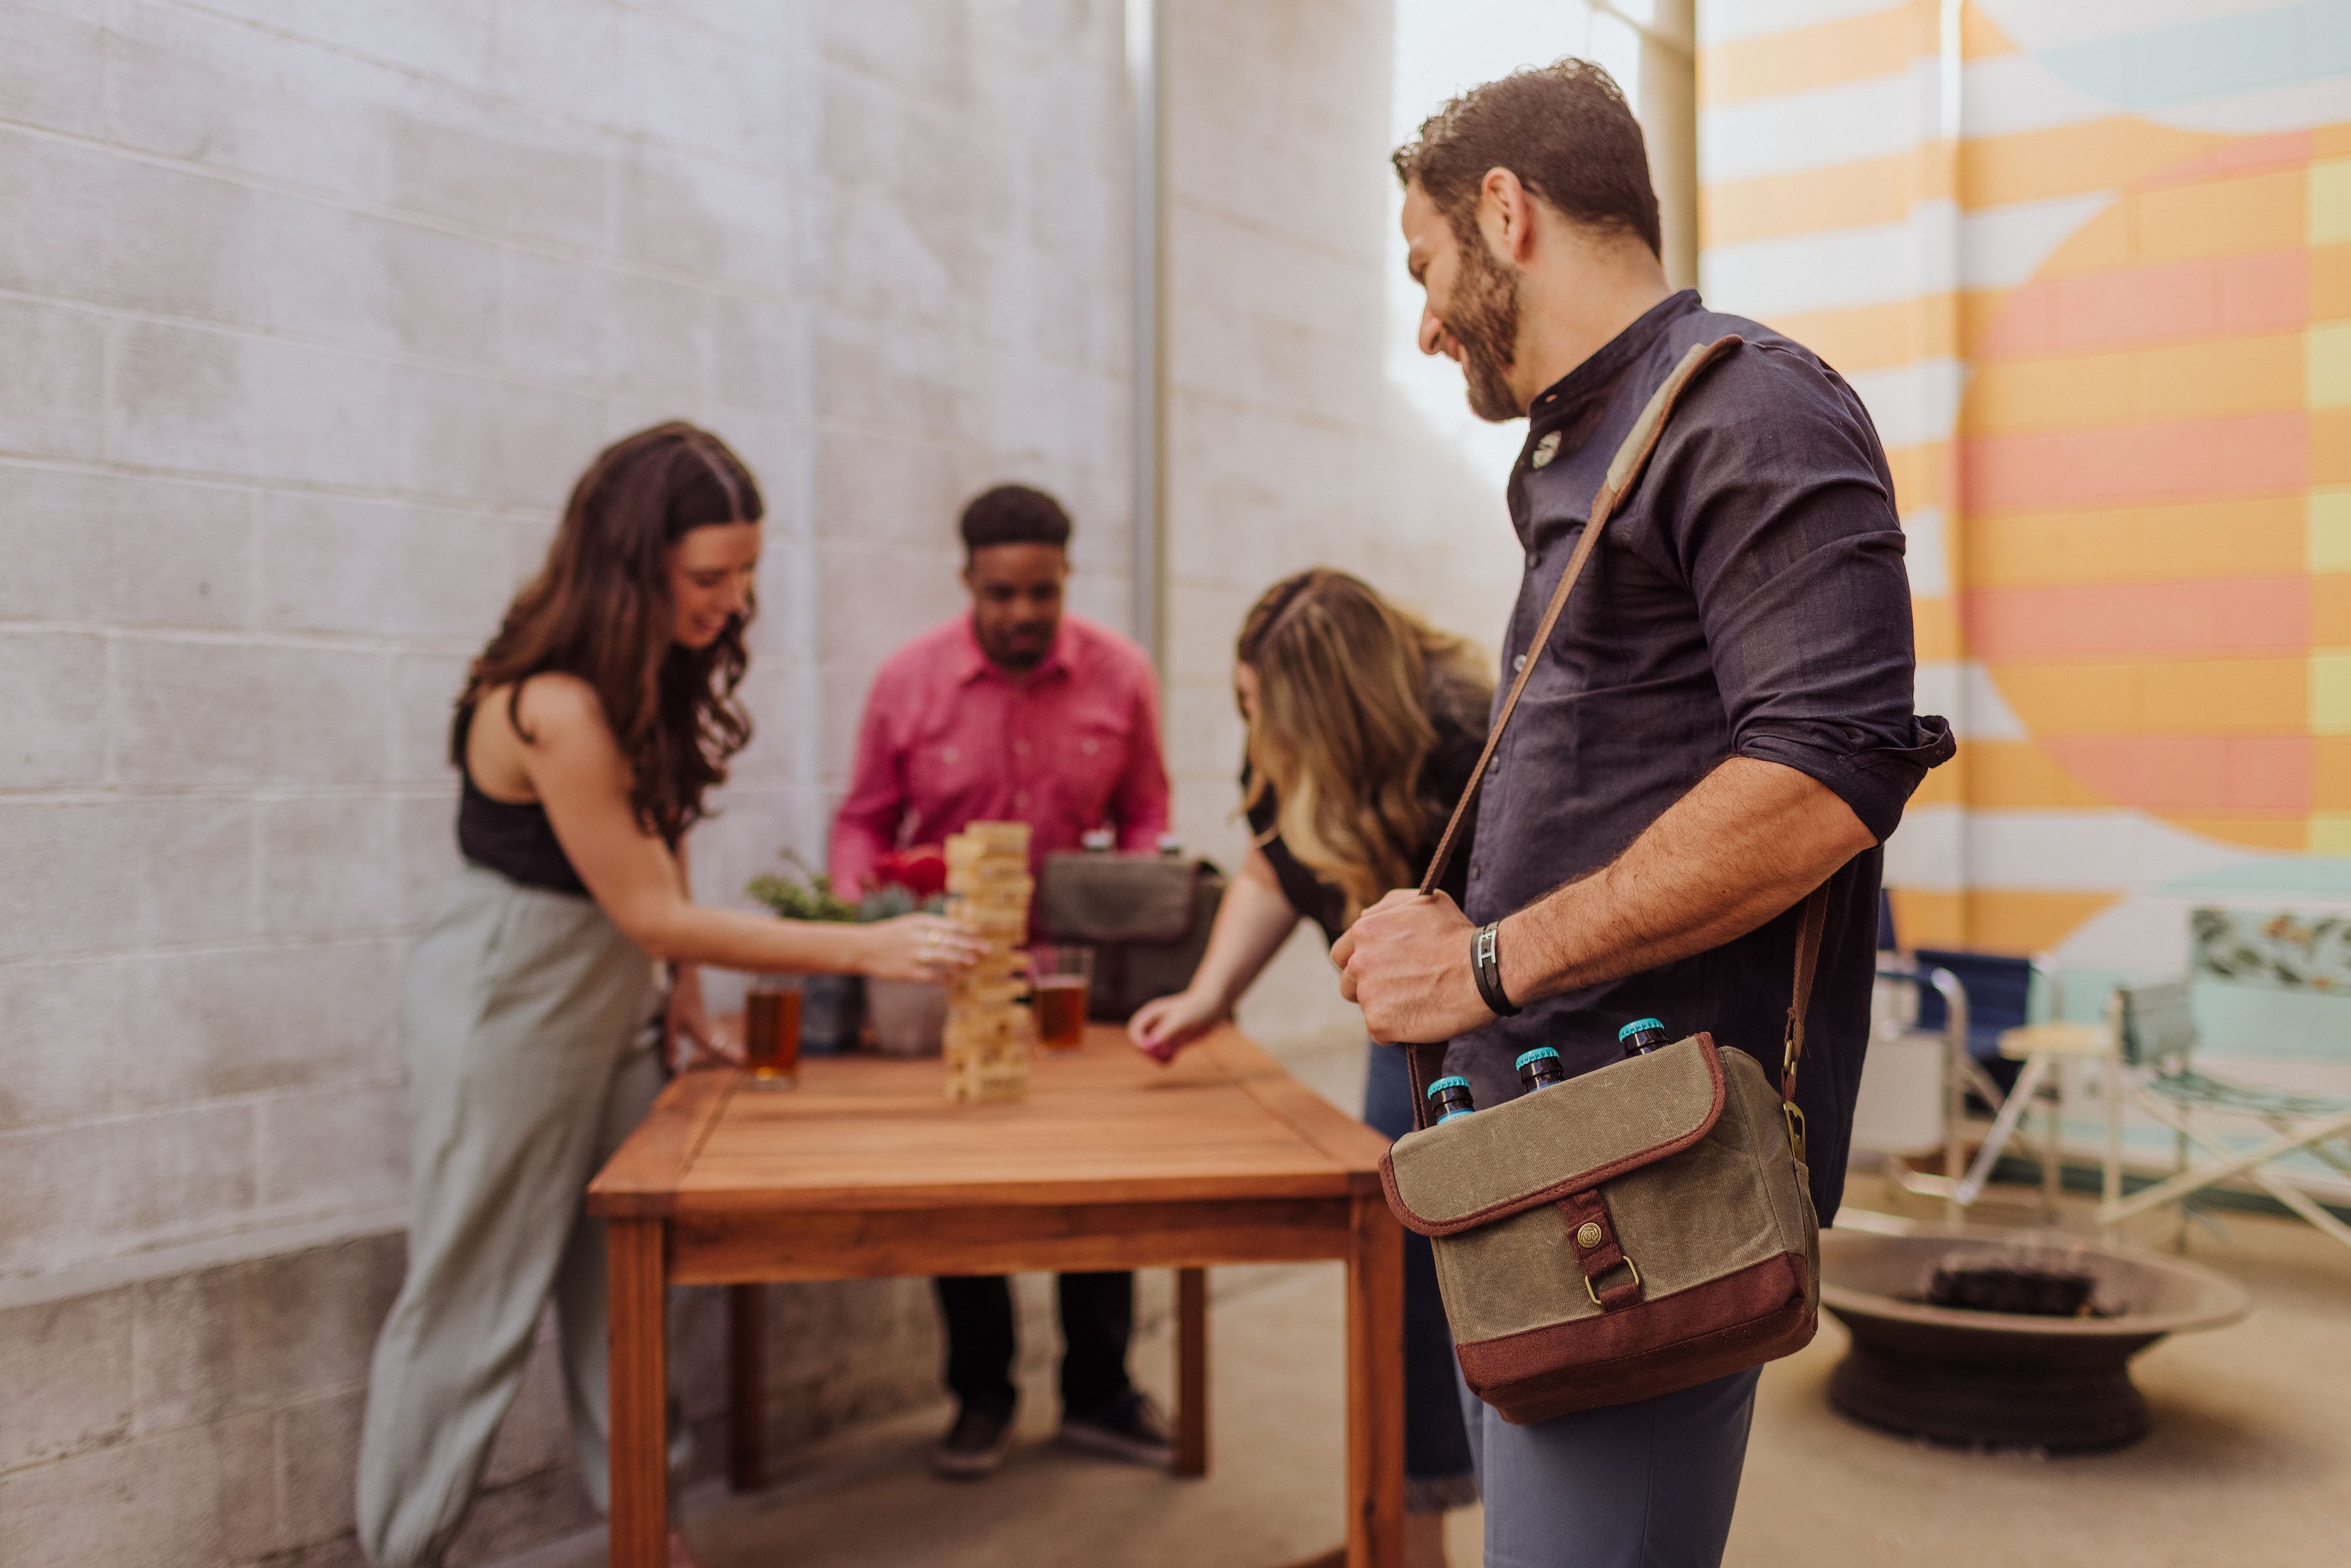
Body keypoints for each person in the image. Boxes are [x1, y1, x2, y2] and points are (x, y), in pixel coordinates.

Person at [1332, 62, 1953, 1568]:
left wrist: (1488, 964)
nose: (1425, 320)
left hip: (1644, 1180)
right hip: (1532, 1160)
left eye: (1425, 268)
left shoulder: (1749, 406)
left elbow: (1824, 779)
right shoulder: (1578, 446)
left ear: (1505, 209)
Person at [356, 424, 984, 1568]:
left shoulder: (638, 671)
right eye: (710, 576)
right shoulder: (551, 702)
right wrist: (867, 950)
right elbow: (644, 907)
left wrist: (684, 990)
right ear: (629, 559)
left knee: (636, 1288)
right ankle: (403, 1548)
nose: (734, 599)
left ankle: (649, 1532)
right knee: (475, 1298)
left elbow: (661, 840)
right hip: (511, 998)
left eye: (746, 570)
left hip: (610, 999)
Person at [1130, 568, 1490, 1568]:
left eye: (1260, 709)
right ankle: (1408, 1546)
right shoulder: (1298, 744)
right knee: (1407, 1290)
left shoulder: (1473, 745)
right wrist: (1209, 994)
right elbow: (1271, 860)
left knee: (1498, 1297)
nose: (1253, 730)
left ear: (1327, 711)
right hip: (1399, 1030)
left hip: (1495, 1032)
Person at [829, 483, 1174, 1479]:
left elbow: (1148, 812)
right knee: (963, 1192)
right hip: (948, 985)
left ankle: (1100, 1392)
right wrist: (867, 924)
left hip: (1078, 986)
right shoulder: (907, 679)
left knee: (1101, 1177)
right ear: (969, 582)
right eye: (1002, 593)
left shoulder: (1124, 675)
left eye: (1041, 590)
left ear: (1065, 577)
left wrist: (1134, 901)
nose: (1024, 611)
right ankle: (981, 1394)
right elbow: (864, 818)